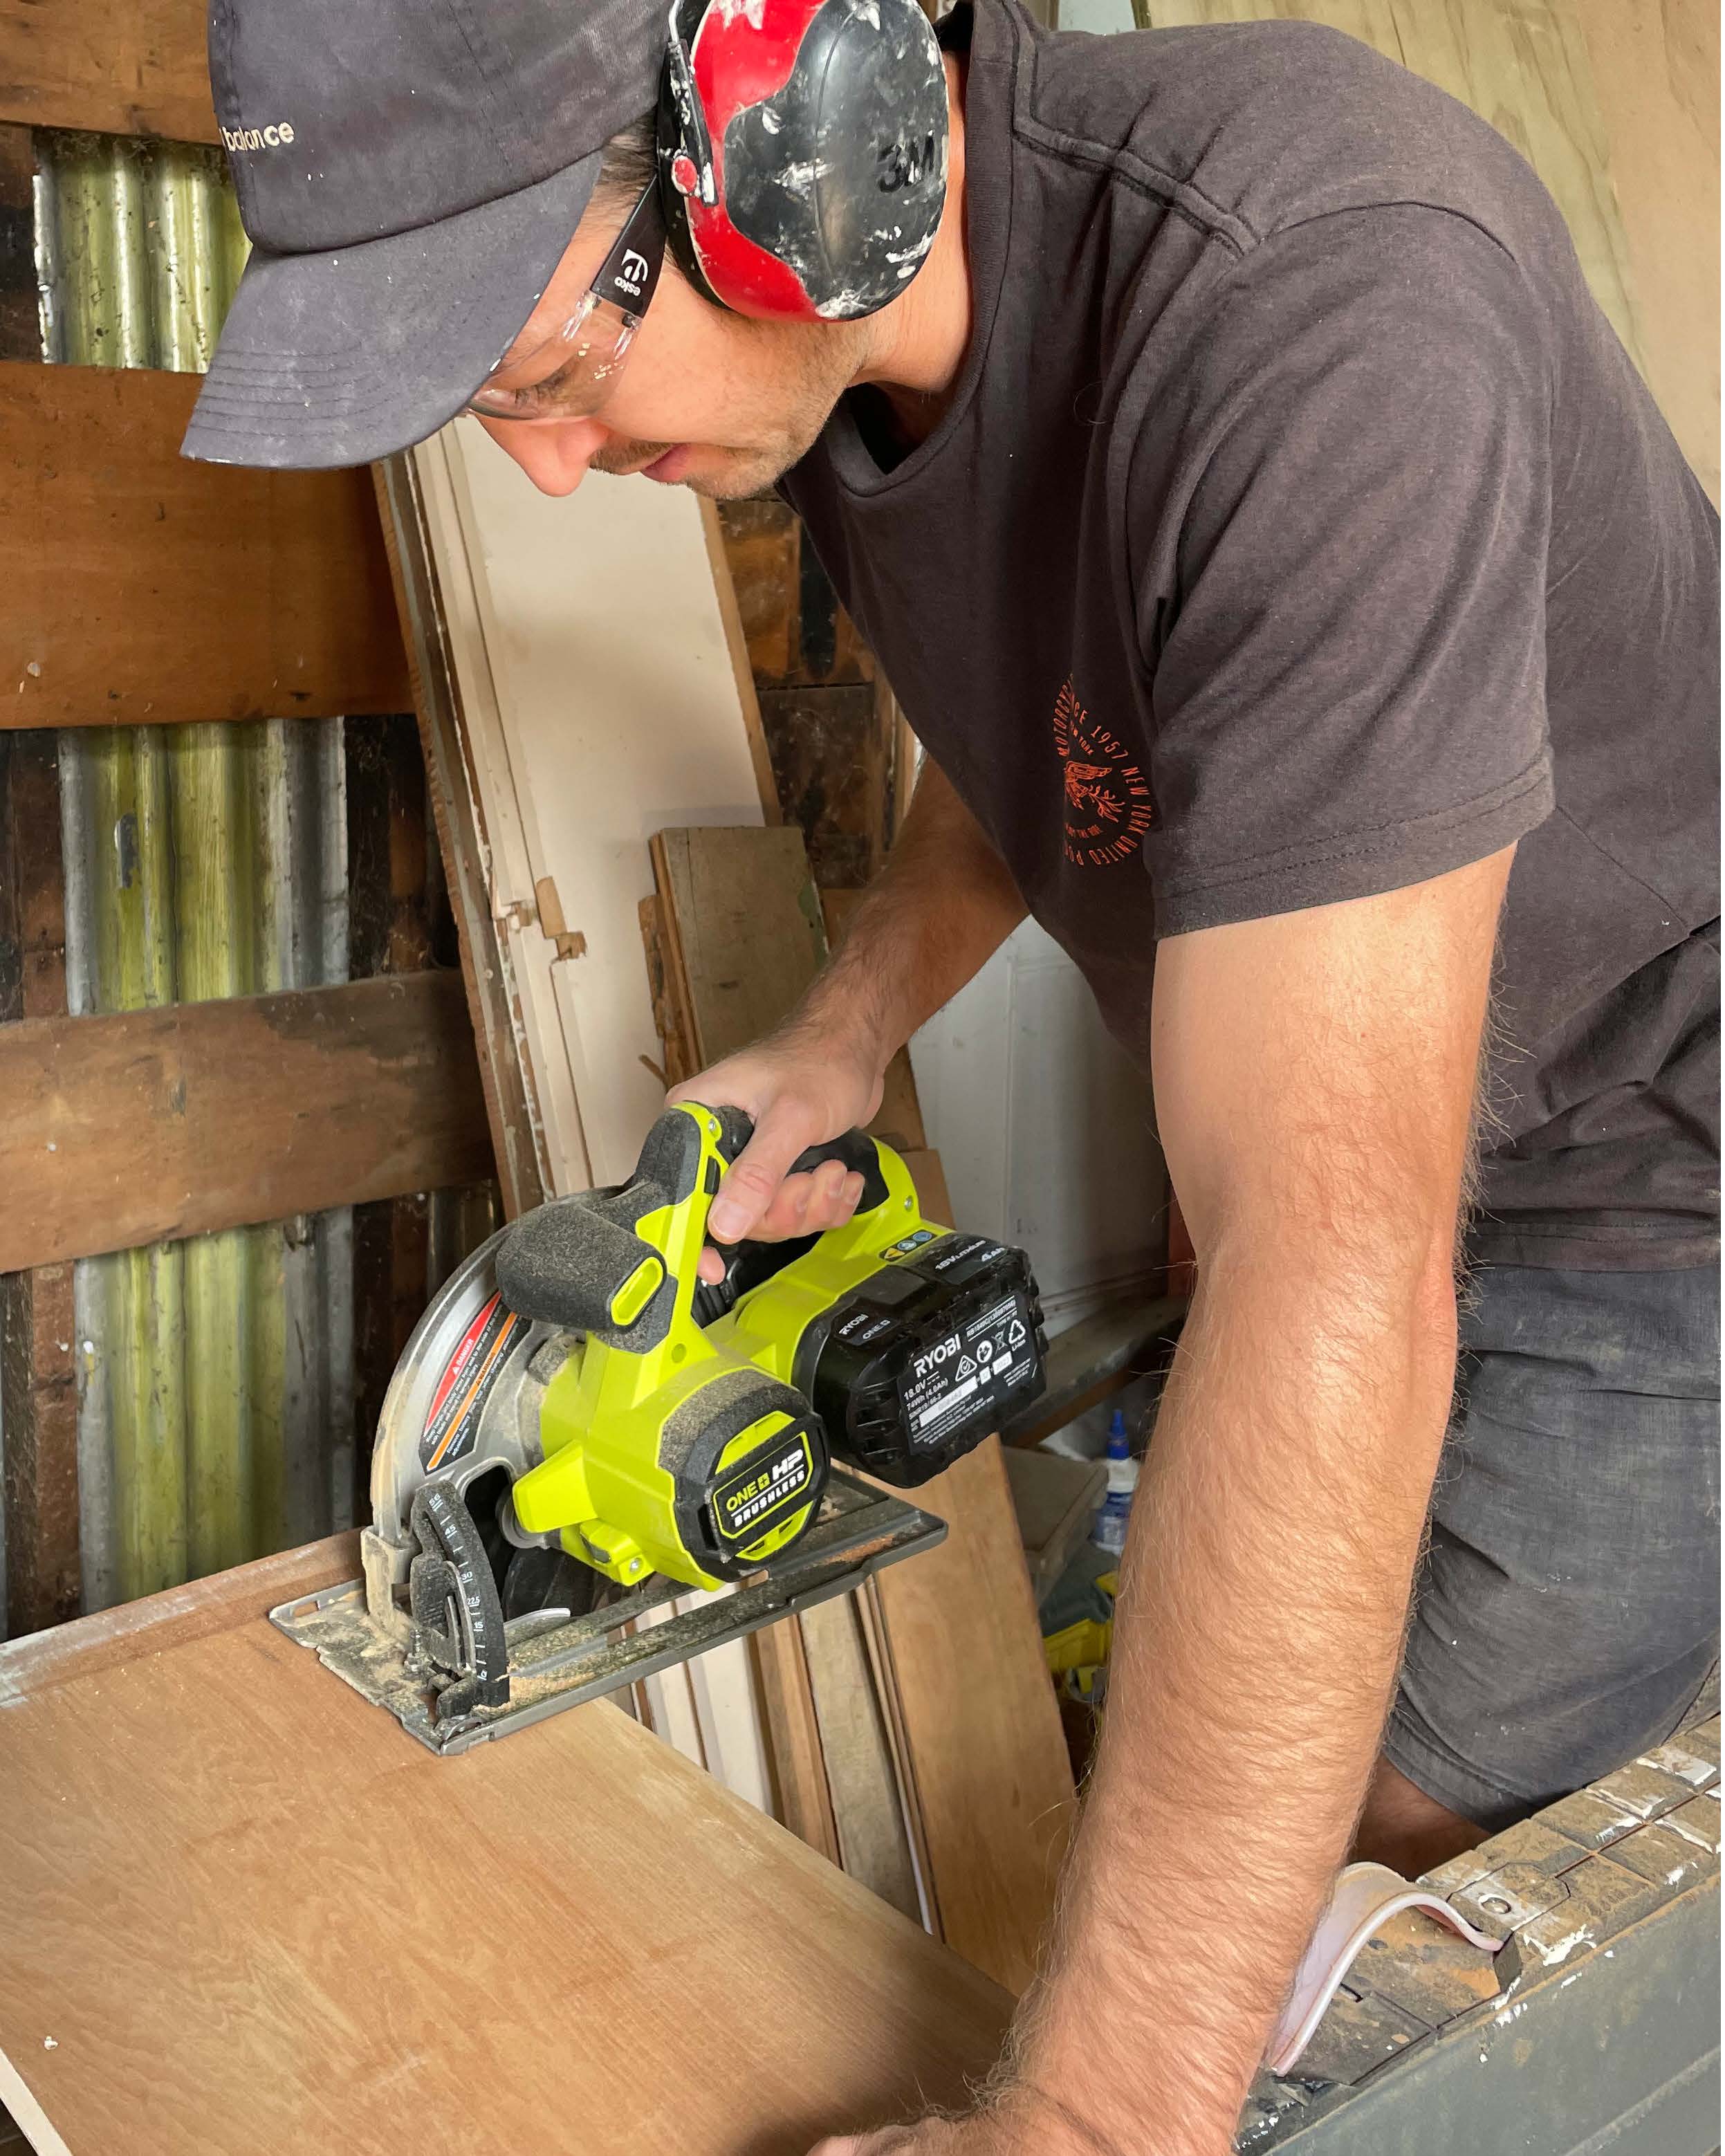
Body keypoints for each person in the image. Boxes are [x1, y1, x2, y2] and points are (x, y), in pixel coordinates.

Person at [185, 0, 1719, 2146]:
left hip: (1643, 1159)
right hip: (1386, 1146)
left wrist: (1083, 2124)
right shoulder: (861, 387)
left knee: (1371, 1912)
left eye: (552, 370)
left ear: (793, 138)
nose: (544, 465)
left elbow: (1328, 1249)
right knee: (1204, 1782)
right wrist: (846, 1023)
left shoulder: (1327, 301)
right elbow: (1053, 737)